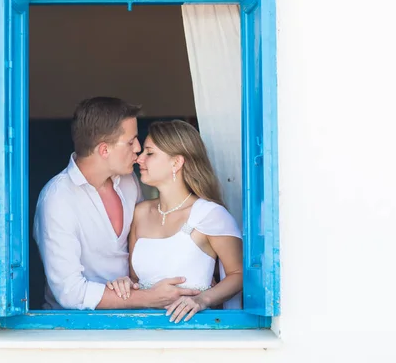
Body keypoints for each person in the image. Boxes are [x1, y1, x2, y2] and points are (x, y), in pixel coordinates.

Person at [33, 97, 201, 310]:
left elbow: (144, 248)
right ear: (104, 150)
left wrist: (197, 280)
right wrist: (149, 298)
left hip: (135, 318)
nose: (138, 148)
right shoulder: (57, 199)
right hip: (74, 329)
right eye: (131, 142)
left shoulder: (129, 182)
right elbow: (70, 293)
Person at [107, 120, 243, 323]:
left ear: (176, 162)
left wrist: (201, 300)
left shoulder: (211, 214)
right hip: (139, 327)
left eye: (149, 153)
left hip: (193, 329)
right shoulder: (140, 213)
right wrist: (125, 283)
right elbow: (136, 278)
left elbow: (238, 273)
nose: (139, 159)